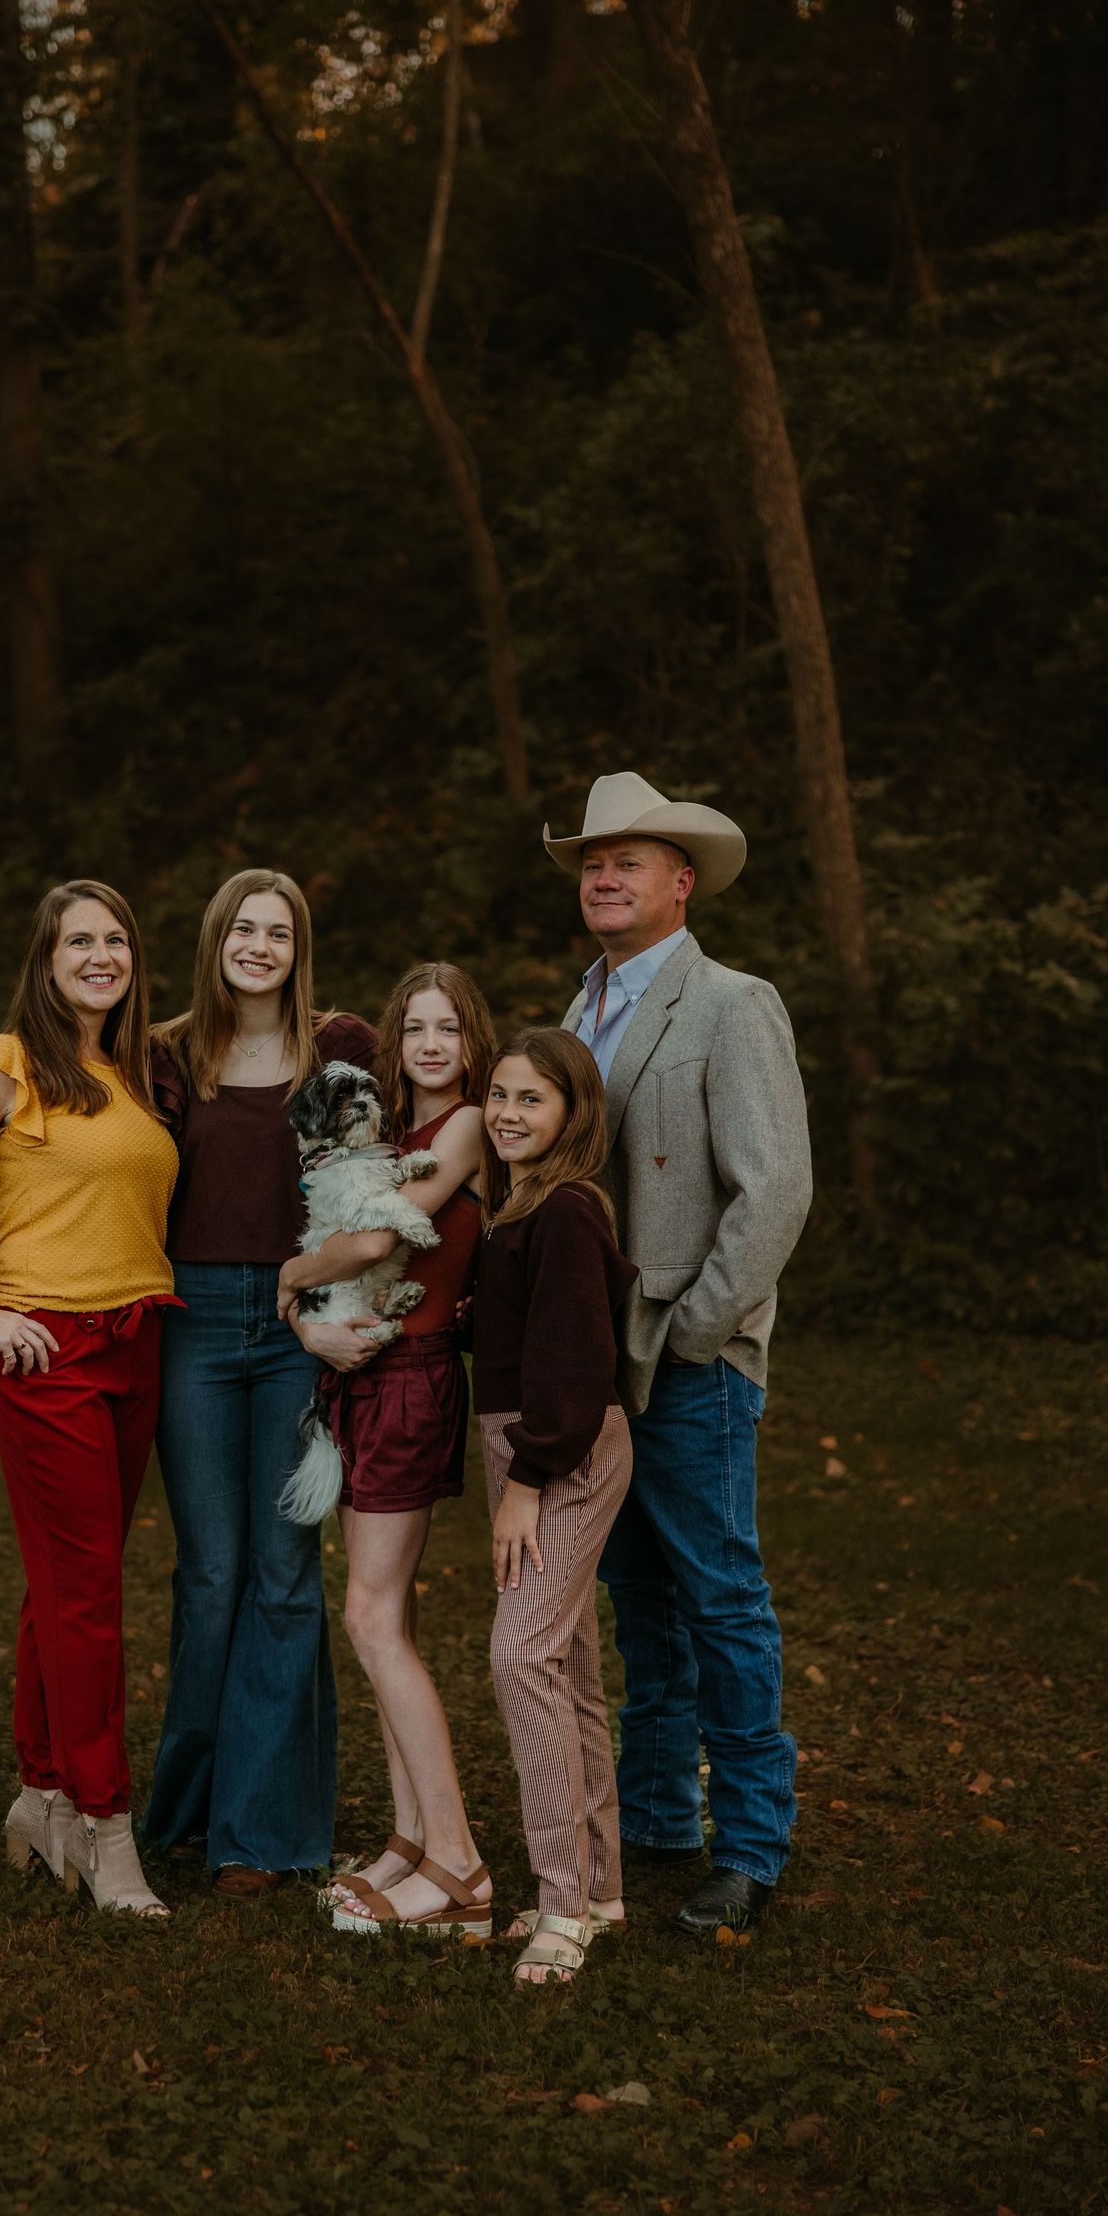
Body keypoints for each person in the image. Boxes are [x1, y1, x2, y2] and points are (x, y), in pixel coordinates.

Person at [544, 771, 813, 1934]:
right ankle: (658, 1819)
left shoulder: (732, 1005)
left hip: (690, 1357)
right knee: (637, 1603)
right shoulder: (578, 1012)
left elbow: (775, 1190)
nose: (605, 877)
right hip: (597, 1366)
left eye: (630, 862)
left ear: (682, 881)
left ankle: (750, 1846)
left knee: (721, 1601)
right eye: (594, 863)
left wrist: (700, 1328)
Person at [0, 879, 179, 1918]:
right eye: (78, 941)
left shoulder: (135, 1070)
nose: (101, 956)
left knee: (67, 1581)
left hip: (140, 1342)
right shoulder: (5, 1062)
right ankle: (106, 1825)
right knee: (88, 1593)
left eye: (116, 939)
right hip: (46, 1350)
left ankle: (41, 1790)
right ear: (46, 962)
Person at [140, 870, 375, 1895]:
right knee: (210, 1574)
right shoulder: (167, 1054)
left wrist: (328, 1301)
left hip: (294, 1320)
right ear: (215, 939)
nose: (259, 946)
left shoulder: (338, 1050)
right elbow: (116, 1173)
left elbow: (377, 1170)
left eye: (279, 932)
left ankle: (262, 1831)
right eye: (243, 928)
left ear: (299, 949)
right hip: (189, 1320)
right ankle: (186, 1812)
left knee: (283, 1573)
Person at [274, 964, 494, 1935]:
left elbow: (368, 1246)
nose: (432, 1046)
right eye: (415, 1030)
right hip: (368, 1374)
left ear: (474, 1041)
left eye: (450, 1029)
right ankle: (410, 1840)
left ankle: (459, 1865)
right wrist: (302, 1318)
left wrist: (284, 1276)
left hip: (411, 1379)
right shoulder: (394, 1133)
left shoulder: (467, 1126)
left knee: (369, 1618)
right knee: (385, 1614)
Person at [472, 1029, 639, 1985]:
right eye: (499, 1094)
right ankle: (601, 1889)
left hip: (561, 1451)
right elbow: (520, 1330)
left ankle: (562, 1906)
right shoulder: (521, 1207)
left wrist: (528, 1482)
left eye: (531, 1099)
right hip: (528, 1442)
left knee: (521, 1655)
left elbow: (576, 1362)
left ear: (574, 1113)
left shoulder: (568, 1209)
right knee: (568, 1664)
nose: (507, 1113)